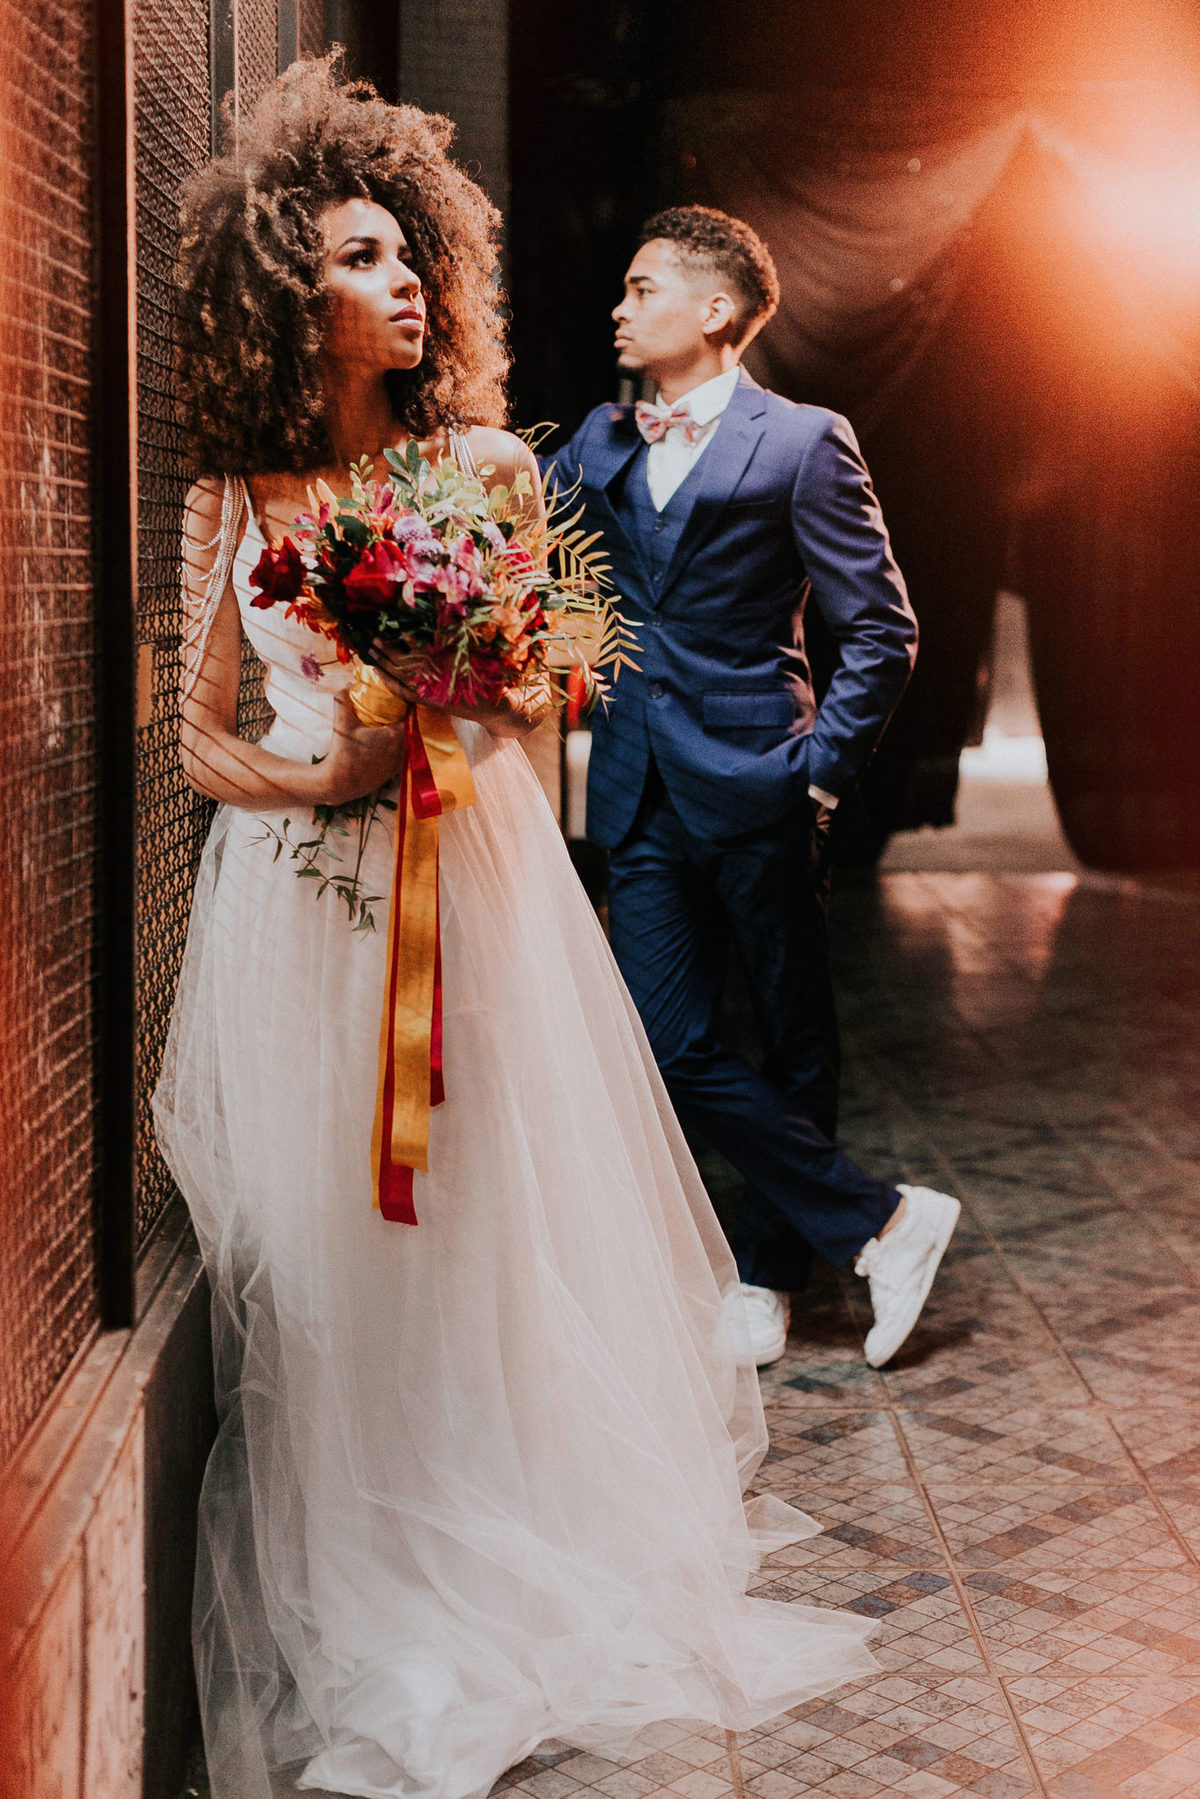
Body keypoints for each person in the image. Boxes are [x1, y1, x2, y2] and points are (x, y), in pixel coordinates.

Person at [153, 58, 881, 1799]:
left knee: (472, 1224)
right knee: (322, 1251)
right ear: (286, 294)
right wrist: (318, 775)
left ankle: (490, 1534)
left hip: (468, 892)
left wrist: (450, 693)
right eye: (358, 256)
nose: (403, 279)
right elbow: (188, 737)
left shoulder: (480, 463)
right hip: (296, 913)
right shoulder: (231, 498)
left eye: (412, 252)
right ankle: (362, 1571)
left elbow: (549, 695)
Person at [542, 206, 960, 1371]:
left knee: (791, 1033)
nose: (619, 309)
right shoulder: (599, 440)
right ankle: (885, 1218)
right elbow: (512, 534)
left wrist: (820, 776)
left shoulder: (804, 441)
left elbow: (881, 629)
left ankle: (771, 1274)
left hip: (764, 779)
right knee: (661, 1038)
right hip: (635, 785)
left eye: (642, 289)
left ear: (716, 308)